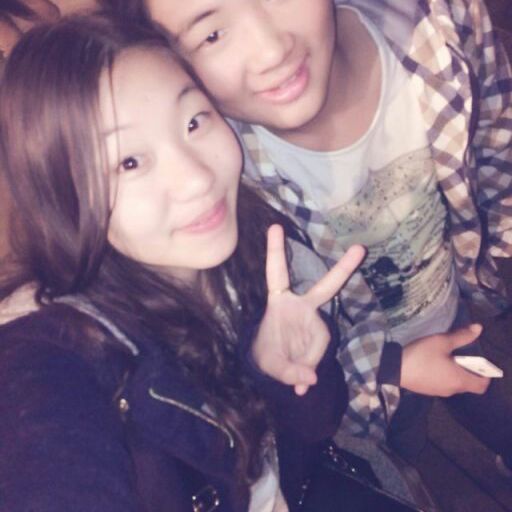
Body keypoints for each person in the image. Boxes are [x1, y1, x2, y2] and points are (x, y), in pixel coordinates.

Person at [101, 0, 512, 467]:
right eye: (212, 35)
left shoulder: (436, 24)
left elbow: (498, 153)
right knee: (406, 450)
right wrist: (392, 370)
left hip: (461, 304)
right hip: (375, 386)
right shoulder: (214, 187)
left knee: (488, 399)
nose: (272, 50)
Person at [0, 14, 369, 511]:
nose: (197, 178)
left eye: (194, 122)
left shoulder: (262, 247)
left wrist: (280, 373)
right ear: (63, 197)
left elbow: (314, 430)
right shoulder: (52, 356)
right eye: (129, 162)